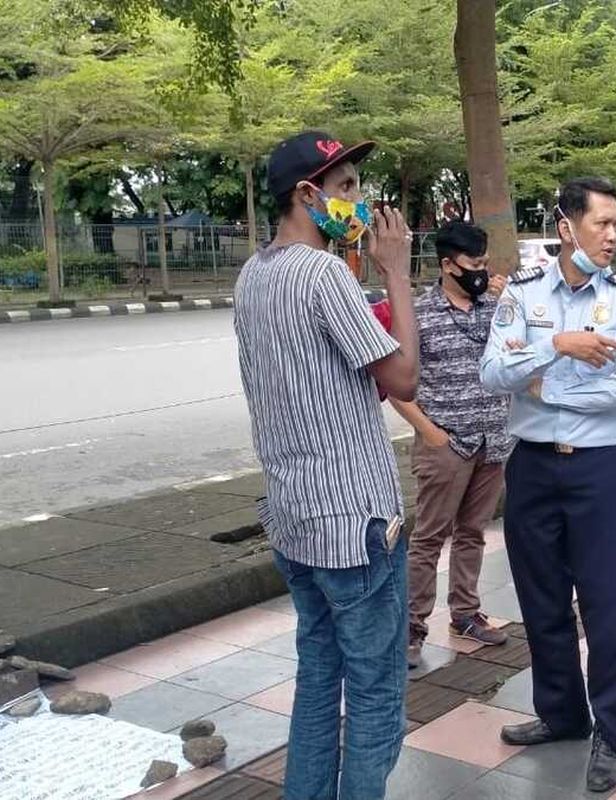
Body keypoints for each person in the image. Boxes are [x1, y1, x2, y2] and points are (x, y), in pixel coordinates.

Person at [234, 130, 420, 800]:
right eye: (345, 189)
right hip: (358, 523)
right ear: (306, 195)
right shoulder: (324, 273)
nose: (359, 202)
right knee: (375, 696)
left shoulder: (252, 276)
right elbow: (402, 378)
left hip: (294, 519)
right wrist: (396, 270)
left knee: (318, 677)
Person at [479, 176, 616, 793]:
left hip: (600, 471)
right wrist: (557, 344)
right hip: (531, 467)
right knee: (541, 598)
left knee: (608, 606)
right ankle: (561, 714)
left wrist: (548, 385)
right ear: (566, 228)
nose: (613, 235)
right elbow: (493, 371)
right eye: (602, 223)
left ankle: (612, 731)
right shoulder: (524, 296)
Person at [387, 220, 513, 667]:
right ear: (446, 263)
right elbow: (394, 387)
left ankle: (465, 613)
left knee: (472, 533)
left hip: (493, 441)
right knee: (427, 539)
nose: (481, 272)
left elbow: (521, 353)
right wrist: (430, 433)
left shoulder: (495, 307)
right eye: (473, 264)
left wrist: (509, 302)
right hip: (445, 445)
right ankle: (412, 627)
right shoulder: (418, 314)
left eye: (484, 263)